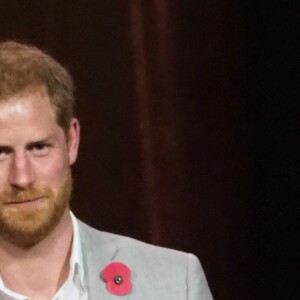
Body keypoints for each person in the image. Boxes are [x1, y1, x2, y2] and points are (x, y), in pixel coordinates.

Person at [0, 41, 213, 300]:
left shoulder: (177, 283)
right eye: (1, 153)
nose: (22, 177)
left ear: (72, 141)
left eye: (39, 147)